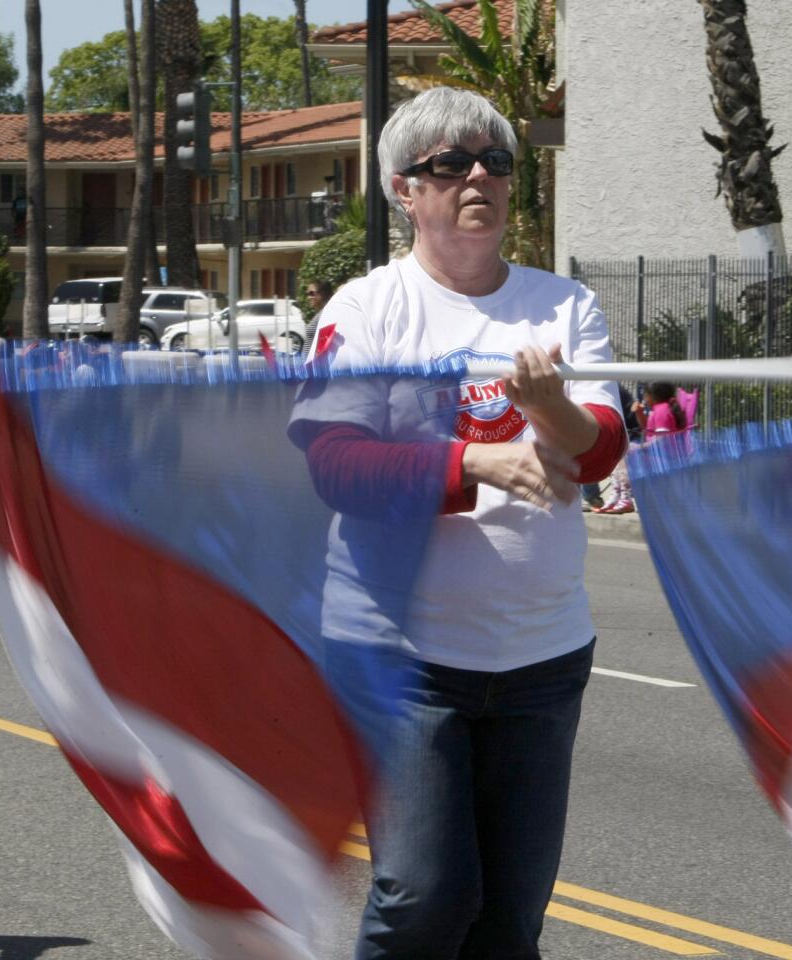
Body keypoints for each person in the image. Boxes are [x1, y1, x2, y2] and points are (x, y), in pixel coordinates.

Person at [287, 86, 625, 959]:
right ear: (405, 190)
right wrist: (472, 462)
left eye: (496, 163)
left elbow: (596, 454)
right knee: (424, 898)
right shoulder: (364, 311)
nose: (478, 176)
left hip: (541, 655)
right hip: (398, 655)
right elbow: (336, 467)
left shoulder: (564, 305)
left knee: (509, 923)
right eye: (450, 164)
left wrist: (551, 408)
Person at [592, 384, 643, 514]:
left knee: (620, 455)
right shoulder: (606, 387)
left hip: (632, 434)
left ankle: (626, 497)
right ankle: (616, 494)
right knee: (615, 455)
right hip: (623, 432)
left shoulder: (610, 388)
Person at [302, 279, 334, 354]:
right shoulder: (321, 313)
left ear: (323, 293)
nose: (309, 297)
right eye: (307, 294)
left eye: (312, 293)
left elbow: (326, 344)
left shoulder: (326, 314)